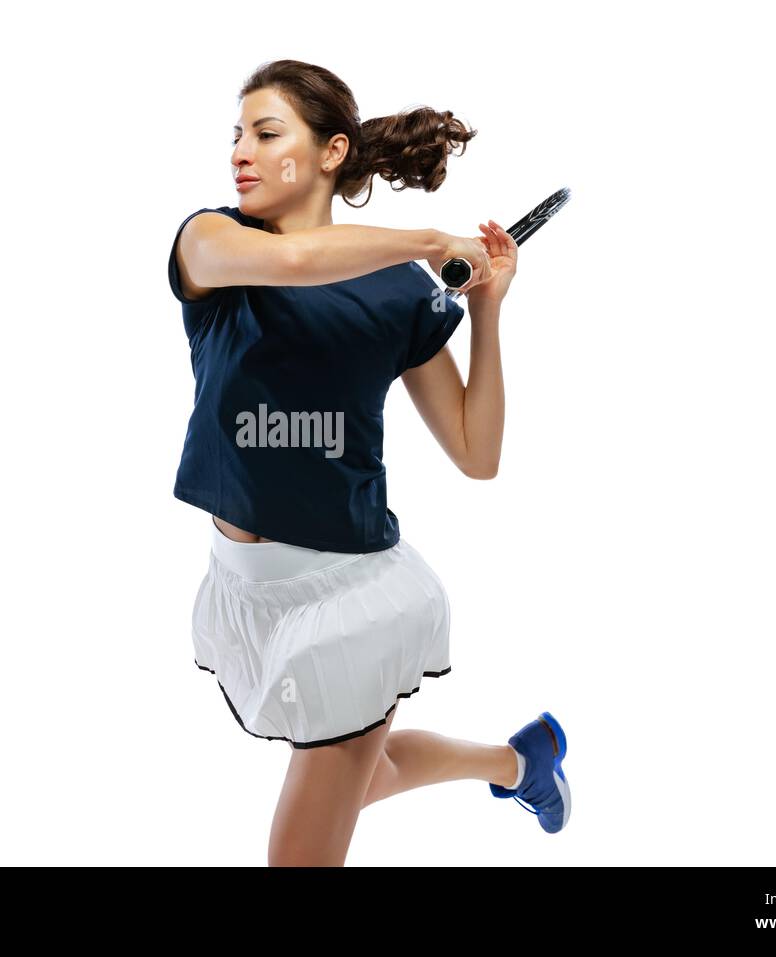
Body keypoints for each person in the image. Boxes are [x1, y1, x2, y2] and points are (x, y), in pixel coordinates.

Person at [167, 59, 570, 866]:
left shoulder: (397, 293)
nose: (241, 151)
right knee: (361, 777)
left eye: (267, 132)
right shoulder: (212, 242)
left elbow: (474, 450)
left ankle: (523, 761)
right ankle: (521, 761)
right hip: (246, 585)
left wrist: (486, 314)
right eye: (237, 135)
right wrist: (431, 241)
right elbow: (294, 264)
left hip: (353, 600)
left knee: (304, 847)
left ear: (330, 151)